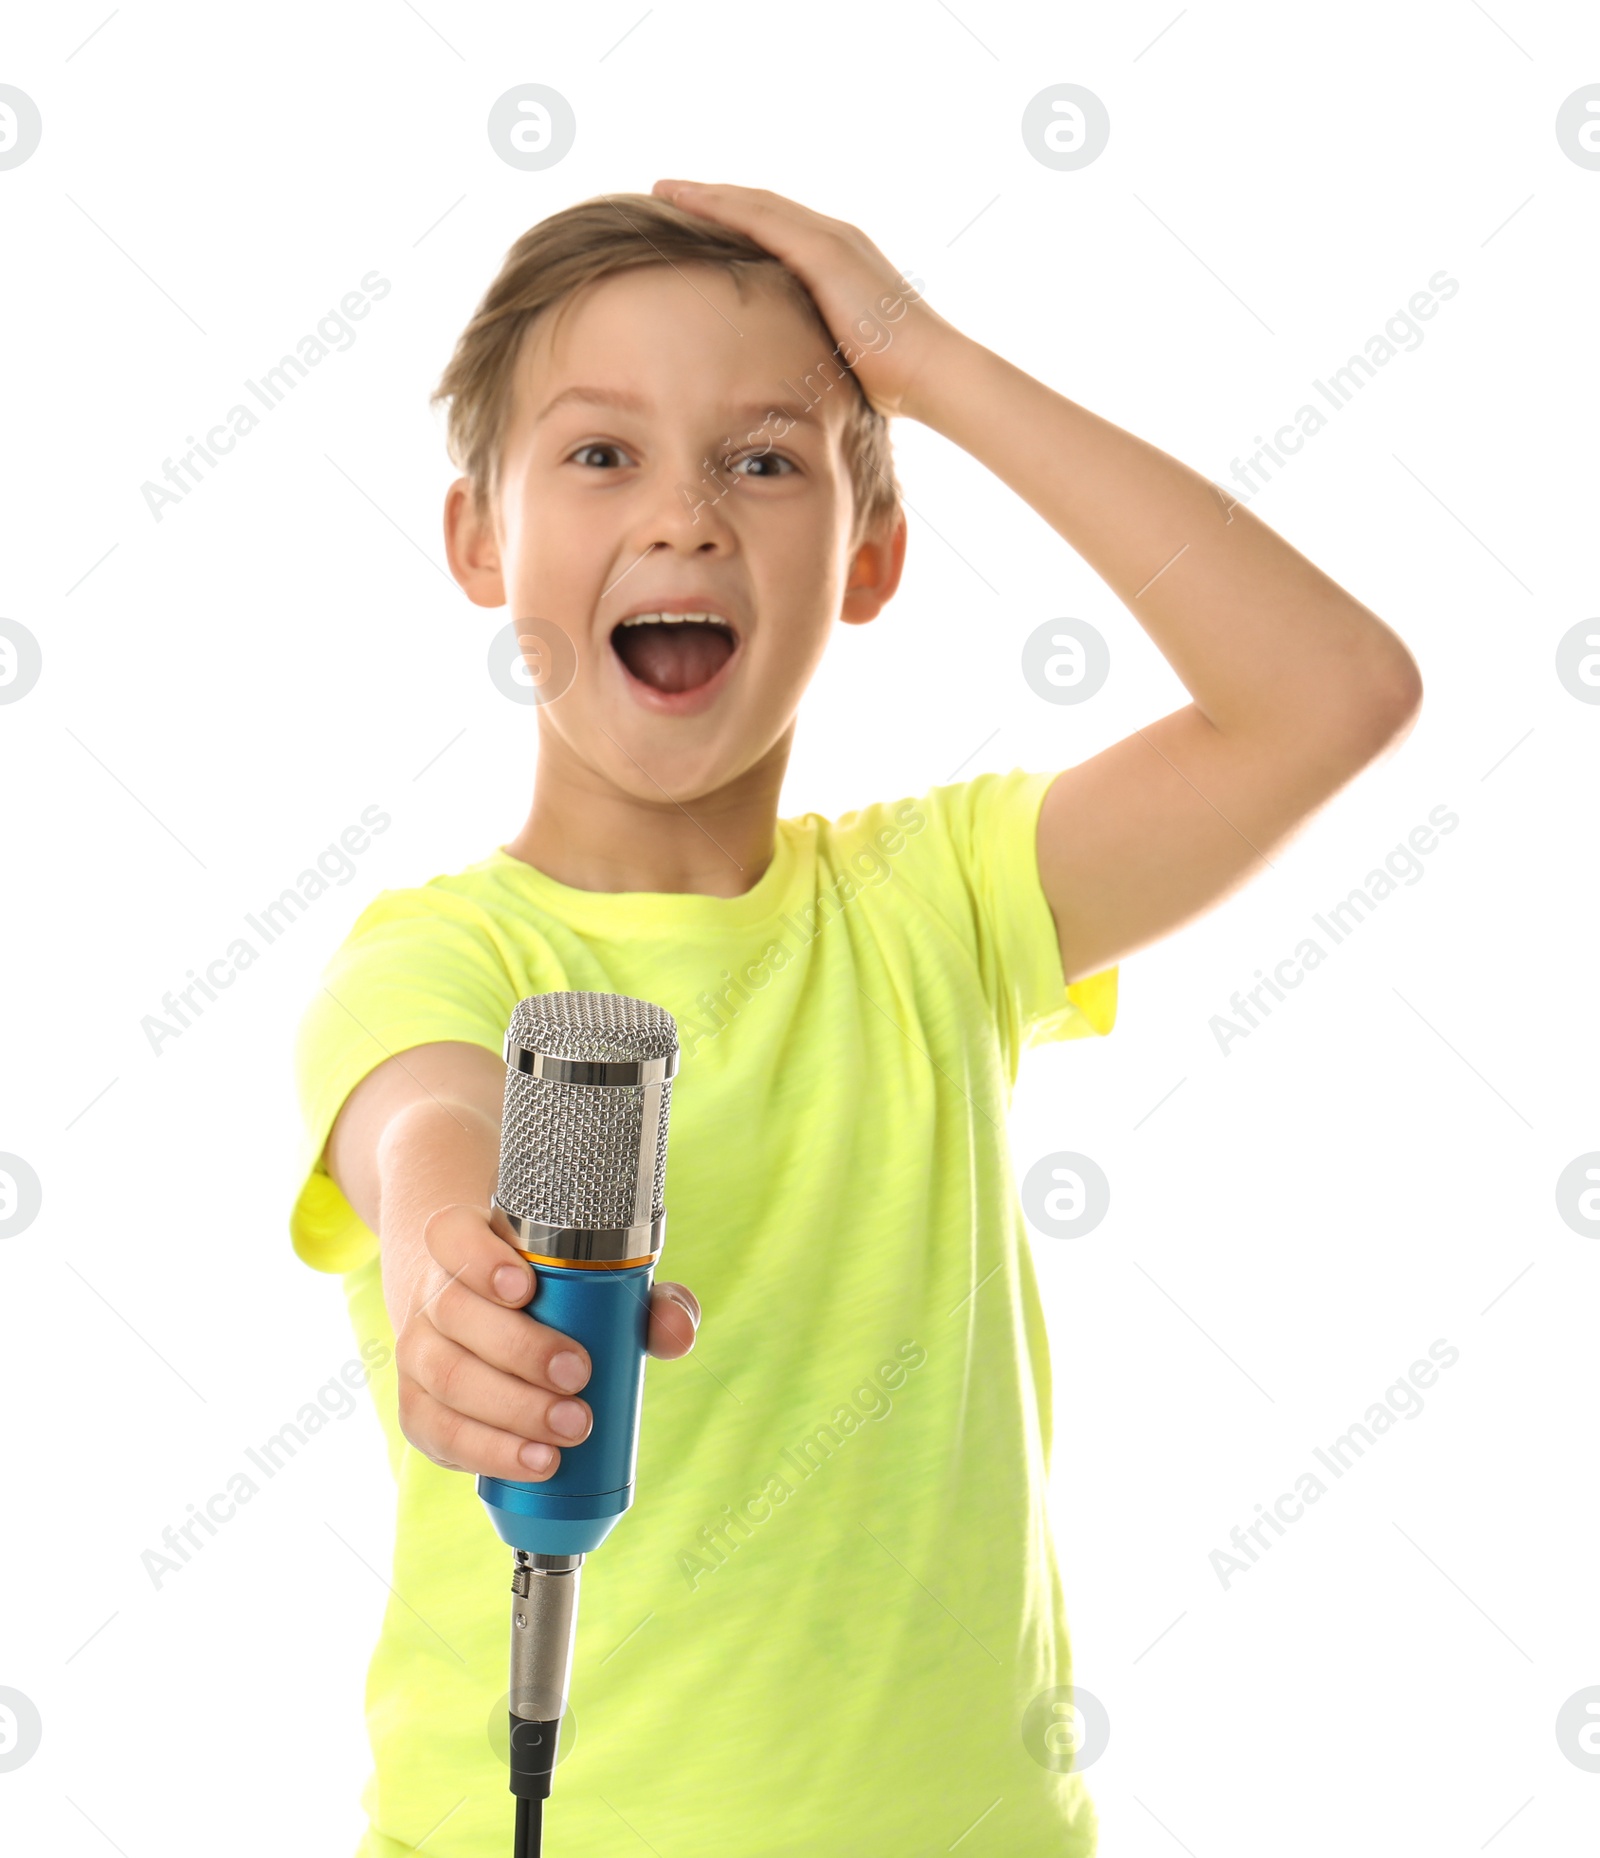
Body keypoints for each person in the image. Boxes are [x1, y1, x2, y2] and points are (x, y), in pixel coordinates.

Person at [290, 181, 1422, 1856]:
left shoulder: (939, 906)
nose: (684, 517)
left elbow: (1332, 694)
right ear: (480, 537)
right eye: (602, 454)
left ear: (873, 554)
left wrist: (927, 364)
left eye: (765, 459)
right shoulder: (443, 956)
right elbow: (424, 1125)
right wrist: (455, 1264)